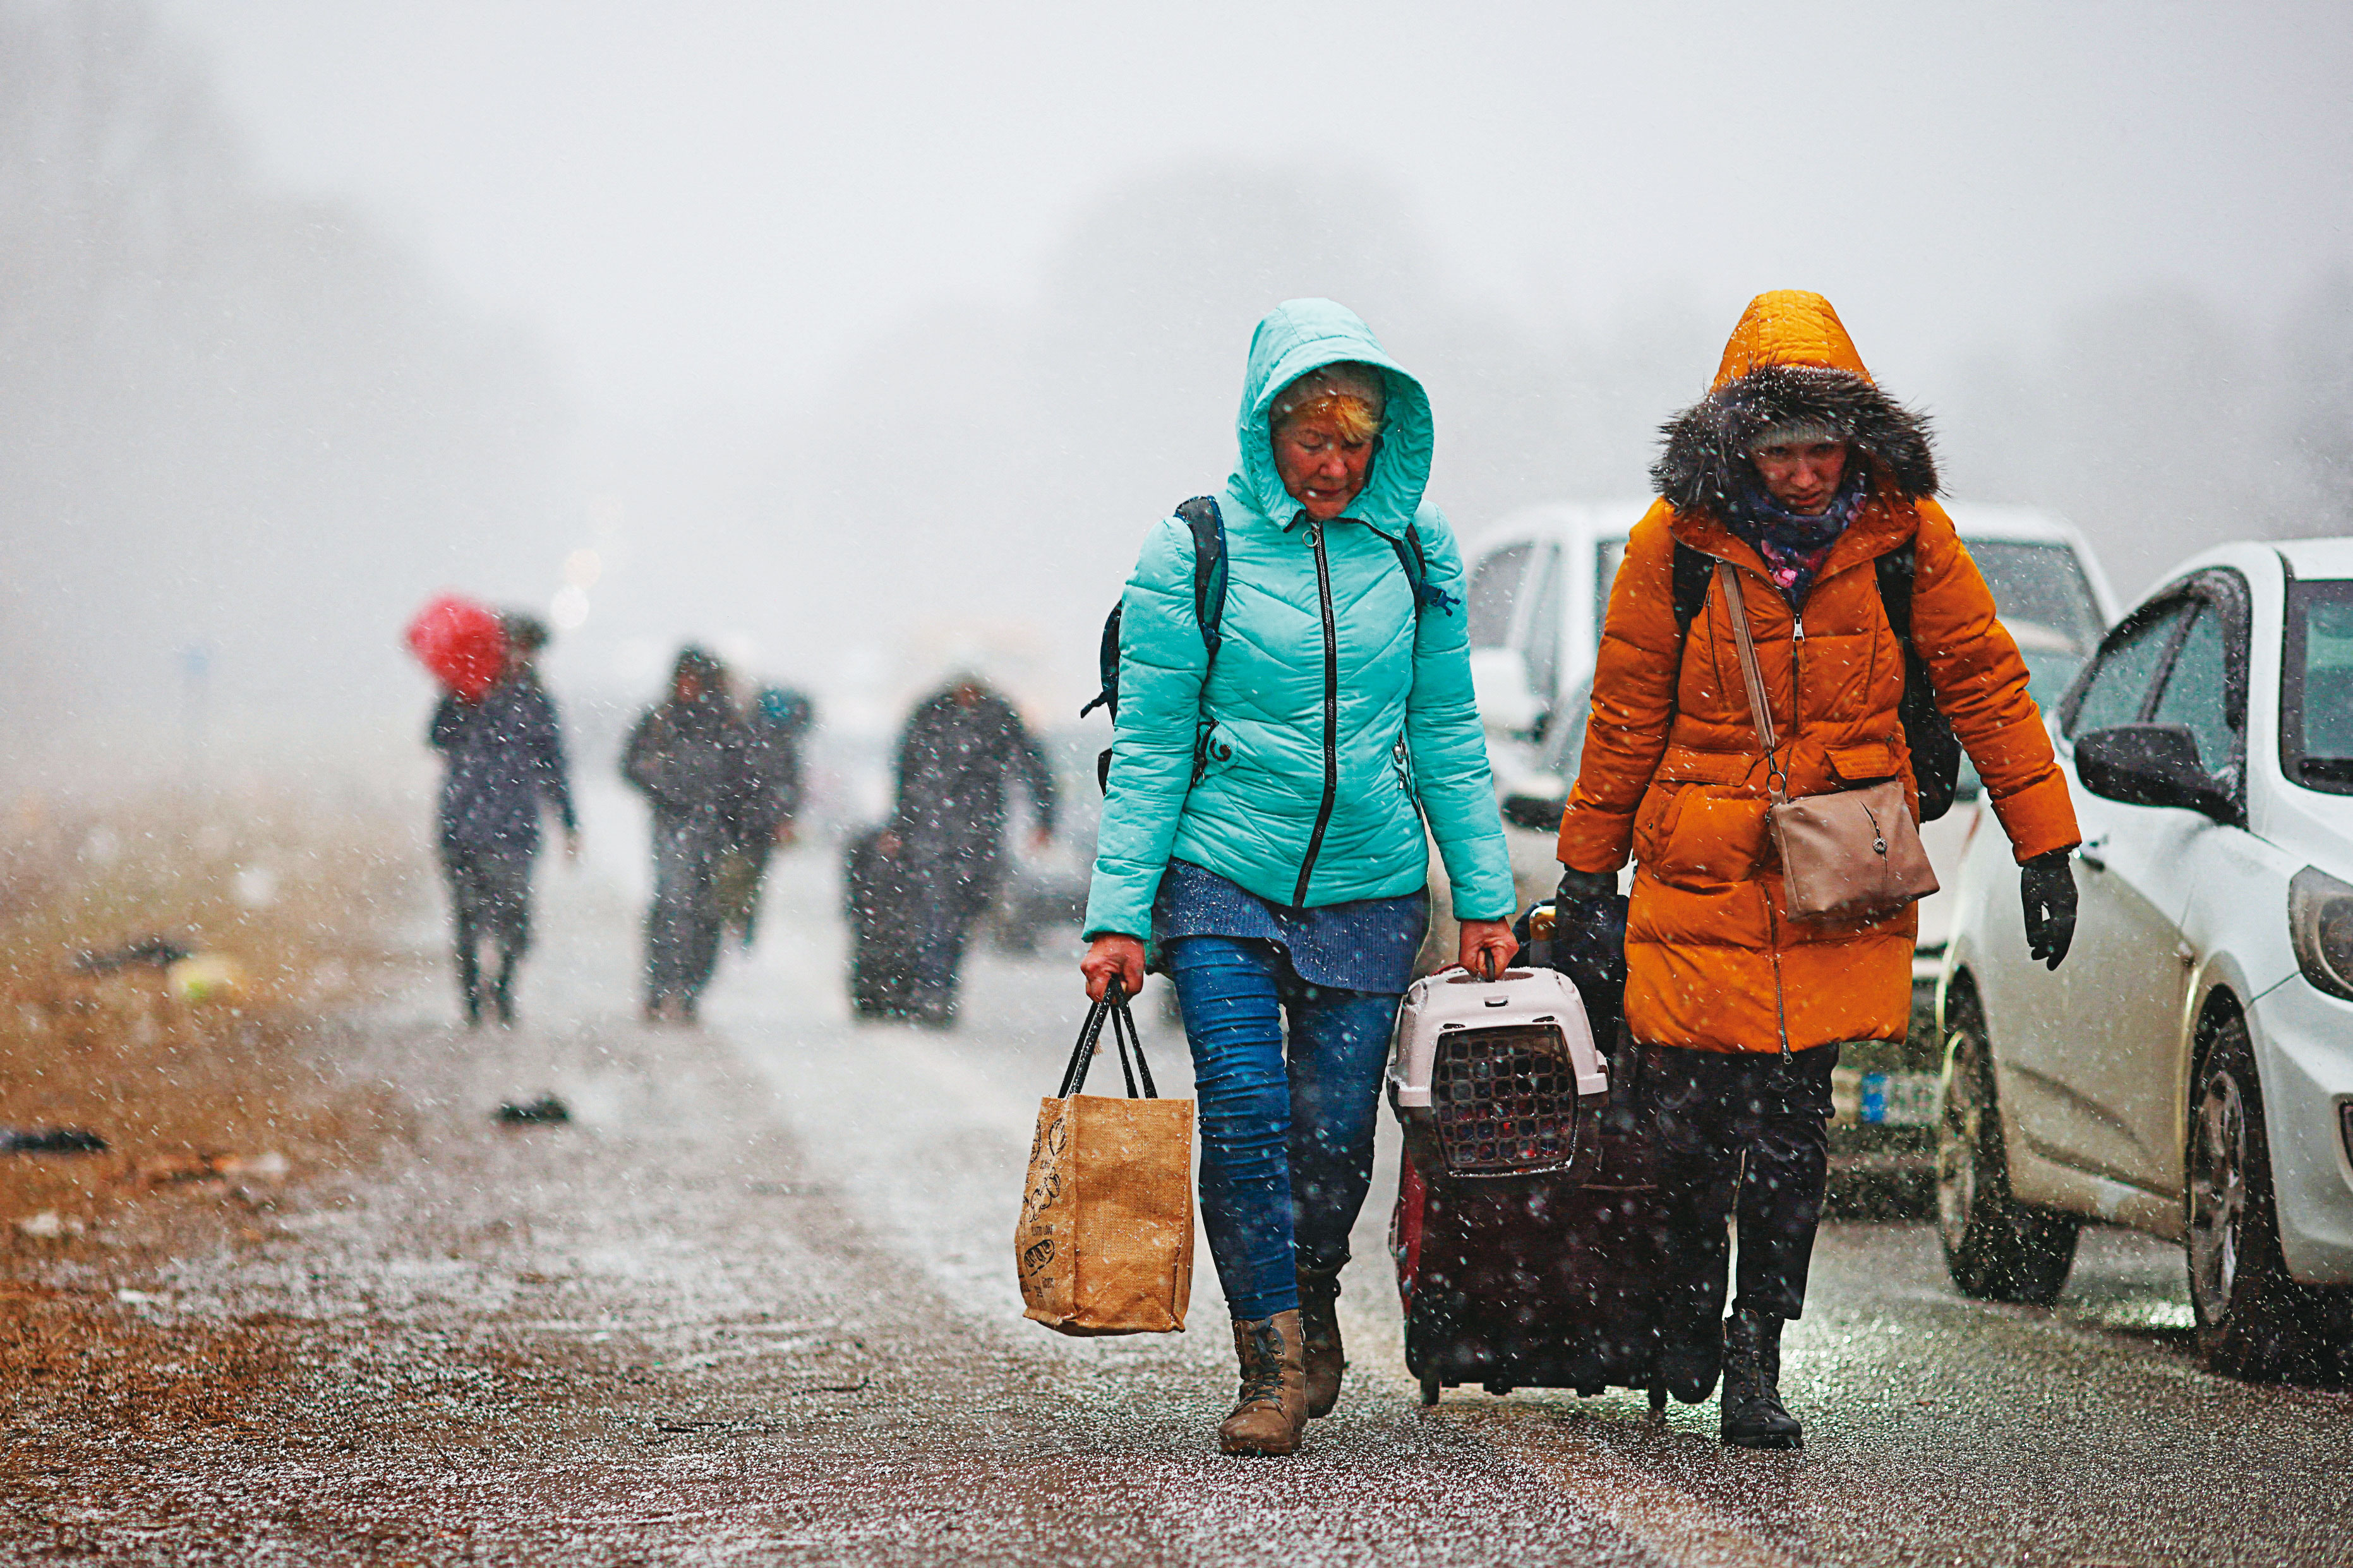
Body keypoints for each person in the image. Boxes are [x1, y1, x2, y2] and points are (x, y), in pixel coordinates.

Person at [1554, 290, 2081, 1449]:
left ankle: (1756, 1350)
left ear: (1855, 441)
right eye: (1778, 451)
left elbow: (1988, 682)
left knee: (1794, 1128)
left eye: (1819, 449)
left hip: (1836, 876)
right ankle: (1692, 1298)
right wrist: (1588, 876)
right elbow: (1626, 716)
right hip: (1698, 876)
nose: (1800, 475)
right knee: (1691, 1129)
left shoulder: (1908, 540)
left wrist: (2044, 840)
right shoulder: (1673, 548)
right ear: (1738, 445)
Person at [1080, 299, 1519, 1457]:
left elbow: (1448, 731)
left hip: (1370, 882)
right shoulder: (1196, 543)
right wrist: (1121, 916)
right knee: (1243, 1106)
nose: (1331, 465)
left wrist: (1483, 896)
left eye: (1353, 443)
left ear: (1384, 443)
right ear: (1266, 427)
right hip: (1222, 869)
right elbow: (1158, 739)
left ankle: (1309, 1282)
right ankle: (1268, 1352)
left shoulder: (1419, 551)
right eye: (1310, 438)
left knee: (1333, 1134)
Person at [427, 611, 577, 1027]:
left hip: (515, 830)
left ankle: (504, 990)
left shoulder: (537, 701)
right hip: (461, 828)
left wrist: (569, 822)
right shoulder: (462, 693)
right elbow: (436, 737)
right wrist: (460, 697)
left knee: (515, 923)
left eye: (526, 648)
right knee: (467, 920)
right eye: (511, 644)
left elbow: (554, 765)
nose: (517, 654)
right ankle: (473, 999)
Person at [882, 674, 1055, 1026]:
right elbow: (907, 770)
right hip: (936, 829)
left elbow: (1033, 766)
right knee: (937, 916)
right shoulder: (932, 714)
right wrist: (900, 824)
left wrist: (1045, 818)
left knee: (959, 917)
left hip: (976, 832)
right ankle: (934, 992)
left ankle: (938, 989)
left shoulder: (996, 716)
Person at [623, 647, 745, 1023]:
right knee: (672, 904)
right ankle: (661, 988)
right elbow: (630, 765)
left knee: (706, 912)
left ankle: (690, 989)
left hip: (718, 828)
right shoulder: (660, 720)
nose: (687, 686)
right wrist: (666, 786)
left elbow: (746, 775)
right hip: (672, 824)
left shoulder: (728, 724)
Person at [719, 686, 812, 947]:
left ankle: (732, 933)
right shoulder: (780, 745)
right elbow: (788, 787)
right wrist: (781, 817)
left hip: (740, 825)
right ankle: (738, 935)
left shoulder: (744, 736)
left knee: (736, 882)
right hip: (754, 827)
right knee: (746, 884)